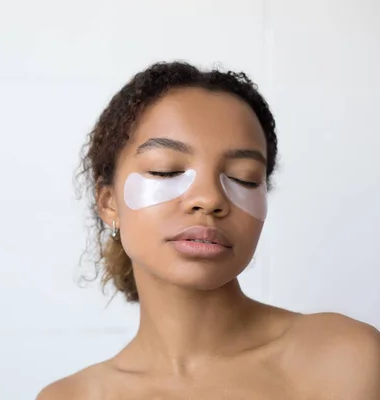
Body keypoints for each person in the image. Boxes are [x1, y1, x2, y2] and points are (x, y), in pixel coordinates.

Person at [37, 61, 380, 399]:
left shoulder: (345, 359)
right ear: (109, 203)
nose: (209, 199)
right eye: (165, 171)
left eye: (243, 177)